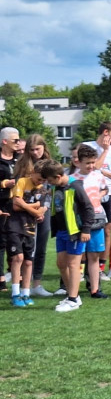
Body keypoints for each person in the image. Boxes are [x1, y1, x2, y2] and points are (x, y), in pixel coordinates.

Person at [41, 159, 95, 313]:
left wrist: (86, 229)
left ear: (58, 177)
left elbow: (88, 208)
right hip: (62, 232)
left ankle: (73, 299)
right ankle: (72, 294)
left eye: (51, 180)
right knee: (61, 264)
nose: (49, 184)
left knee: (73, 265)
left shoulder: (75, 186)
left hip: (75, 232)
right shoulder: (55, 187)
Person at [13, 134, 55, 298]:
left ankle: (37, 283)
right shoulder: (23, 165)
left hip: (43, 210)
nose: (35, 152)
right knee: (28, 248)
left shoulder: (51, 164)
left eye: (38, 149)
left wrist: (43, 210)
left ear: (44, 147)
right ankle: (25, 284)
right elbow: (18, 190)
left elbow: (51, 190)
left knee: (41, 247)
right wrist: (33, 210)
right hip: (25, 212)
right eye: (32, 150)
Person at [7, 160, 47, 306]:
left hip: (30, 228)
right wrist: (34, 208)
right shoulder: (22, 182)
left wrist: (28, 206)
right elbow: (16, 205)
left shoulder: (42, 188)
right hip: (15, 226)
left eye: (43, 180)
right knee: (18, 258)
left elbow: (42, 209)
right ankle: (15, 294)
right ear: (32, 173)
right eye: (38, 179)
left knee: (29, 261)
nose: (40, 182)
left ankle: (26, 293)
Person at [72, 144, 109, 299]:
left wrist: (100, 196)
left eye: (93, 162)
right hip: (78, 222)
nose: (91, 166)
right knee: (76, 257)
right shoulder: (74, 179)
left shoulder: (97, 175)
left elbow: (105, 188)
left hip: (96, 220)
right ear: (78, 162)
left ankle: (95, 289)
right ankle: (70, 288)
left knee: (94, 256)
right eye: (87, 163)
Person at [92, 121, 111, 281]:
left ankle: (101, 268)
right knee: (88, 231)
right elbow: (92, 168)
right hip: (90, 195)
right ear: (105, 132)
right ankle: (85, 267)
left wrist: (102, 171)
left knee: (107, 231)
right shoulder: (87, 146)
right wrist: (104, 151)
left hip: (109, 195)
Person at [0, 126, 19, 294]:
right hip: (2, 203)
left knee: (15, 240)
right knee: (1, 241)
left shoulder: (19, 159)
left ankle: (15, 275)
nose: (18, 143)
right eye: (15, 140)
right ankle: (1, 278)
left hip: (18, 205)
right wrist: (4, 183)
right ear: (4, 141)